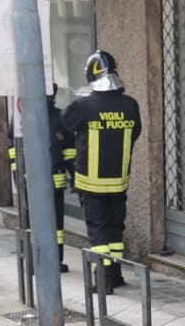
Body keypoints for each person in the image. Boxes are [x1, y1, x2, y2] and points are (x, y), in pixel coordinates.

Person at [61, 50, 142, 289]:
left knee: (98, 233)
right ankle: (115, 274)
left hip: (91, 183)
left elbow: (66, 124)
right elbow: (135, 133)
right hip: (119, 181)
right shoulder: (130, 105)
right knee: (115, 229)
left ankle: (104, 281)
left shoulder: (83, 106)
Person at [7, 84, 73, 273]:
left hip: (54, 180)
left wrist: (74, 175)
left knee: (56, 225)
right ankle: (33, 260)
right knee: (31, 223)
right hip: (30, 181)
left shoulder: (60, 117)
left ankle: (55, 260)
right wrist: (17, 174)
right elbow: (13, 148)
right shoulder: (21, 118)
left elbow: (69, 149)